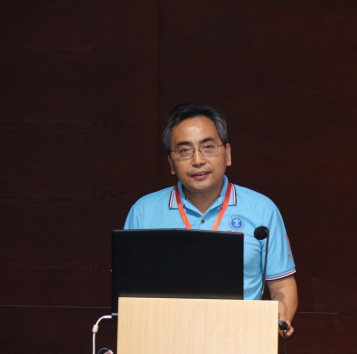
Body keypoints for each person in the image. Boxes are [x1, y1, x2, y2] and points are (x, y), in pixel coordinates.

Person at [124, 103, 298, 337]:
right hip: (165, 340)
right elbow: (128, 292)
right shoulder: (144, 212)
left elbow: (282, 285)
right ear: (171, 163)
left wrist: (280, 317)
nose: (198, 160)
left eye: (208, 147)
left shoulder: (262, 210)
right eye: (184, 150)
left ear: (227, 154)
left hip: (240, 340)